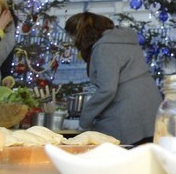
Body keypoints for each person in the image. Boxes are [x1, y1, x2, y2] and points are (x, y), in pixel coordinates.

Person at [64, 12, 161, 145]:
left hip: (127, 115)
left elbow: (107, 89)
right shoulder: (124, 41)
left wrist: (85, 120)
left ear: (81, 34)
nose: (72, 40)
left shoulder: (104, 48)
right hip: (150, 111)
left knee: (104, 151)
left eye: (72, 35)